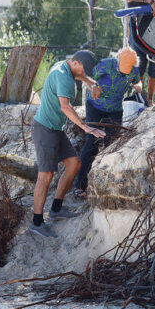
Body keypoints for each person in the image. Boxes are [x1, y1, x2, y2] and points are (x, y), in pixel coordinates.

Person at [29, 51, 106, 238]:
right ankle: (37, 222)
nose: (84, 74)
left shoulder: (67, 66)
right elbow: (65, 107)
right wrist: (85, 127)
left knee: (74, 164)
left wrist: (92, 83)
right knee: (45, 175)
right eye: (83, 69)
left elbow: (80, 74)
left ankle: (56, 209)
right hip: (44, 129)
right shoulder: (62, 76)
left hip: (55, 128)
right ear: (75, 62)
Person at [73, 47, 142, 198]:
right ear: (117, 60)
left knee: (113, 144)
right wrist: (93, 87)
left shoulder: (134, 72)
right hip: (95, 106)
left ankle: (108, 185)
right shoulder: (106, 64)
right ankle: (80, 186)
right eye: (122, 67)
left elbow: (138, 82)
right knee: (92, 142)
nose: (124, 71)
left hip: (115, 109)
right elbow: (87, 77)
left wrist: (138, 87)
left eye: (127, 69)